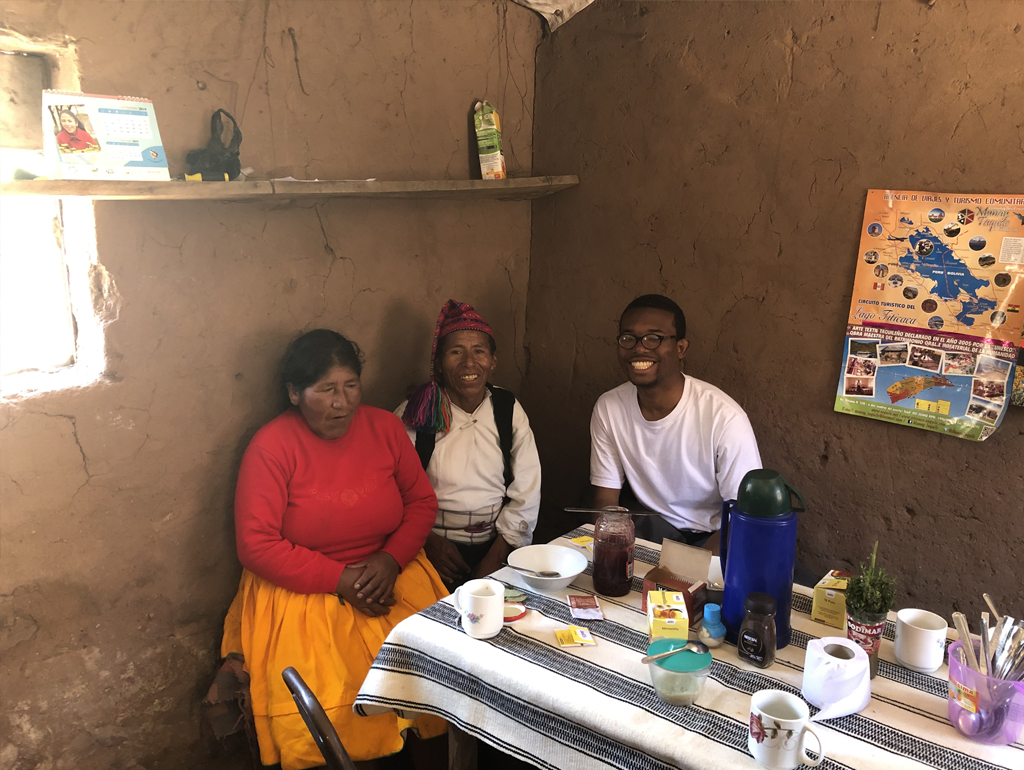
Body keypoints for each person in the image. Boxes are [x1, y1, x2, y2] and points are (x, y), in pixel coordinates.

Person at [217, 329, 448, 770]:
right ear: (294, 393)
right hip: (304, 589)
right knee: (333, 702)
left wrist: (390, 559)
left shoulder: (384, 428)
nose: (341, 402)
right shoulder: (271, 447)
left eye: (350, 386)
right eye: (326, 390)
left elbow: (421, 503)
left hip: (392, 573)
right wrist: (342, 579)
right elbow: (256, 544)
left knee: (432, 679)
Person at [589, 294, 762, 548]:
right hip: (649, 530)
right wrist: (612, 550)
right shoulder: (609, 407)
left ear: (680, 348)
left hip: (714, 537)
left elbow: (746, 519)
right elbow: (605, 503)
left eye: (654, 338)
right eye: (628, 338)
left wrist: (689, 569)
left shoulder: (723, 417)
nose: (639, 348)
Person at [396, 300, 541, 588]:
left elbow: (528, 486)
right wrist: (426, 542)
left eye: (479, 351)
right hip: (428, 547)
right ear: (438, 363)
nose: (469, 363)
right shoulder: (418, 411)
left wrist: (498, 555)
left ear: (493, 361)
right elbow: (391, 488)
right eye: (455, 352)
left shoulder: (506, 408)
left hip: (495, 545)